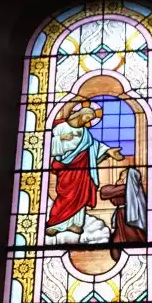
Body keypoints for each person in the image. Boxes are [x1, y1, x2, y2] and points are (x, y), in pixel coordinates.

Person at [46, 98, 123, 237]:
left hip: (82, 171)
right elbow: (50, 145)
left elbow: (93, 146)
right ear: (80, 114)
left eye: (90, 119)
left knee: (81, 196)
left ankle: (75, 223)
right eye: (87, 117)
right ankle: (56, 224)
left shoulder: (85, 133)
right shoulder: (61, 127)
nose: (88, 121)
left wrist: (108, 151)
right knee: (66, 196)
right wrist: (61, 139)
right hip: (67, 169)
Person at [100, 167, 147, 260]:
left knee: (133, 239)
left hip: (129, 219)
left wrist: (128, 185)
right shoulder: (128, 189)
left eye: (122, 178)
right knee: (117, 243)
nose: (119, 180)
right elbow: (104, 192)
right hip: (121, 218)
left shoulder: (133, 189)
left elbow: (106, 193)